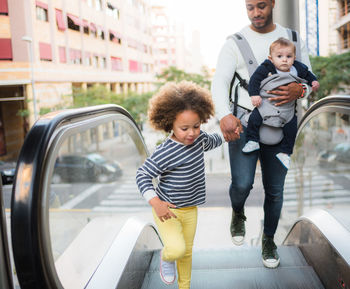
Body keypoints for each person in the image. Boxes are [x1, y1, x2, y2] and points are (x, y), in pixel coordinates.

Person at [211, 0, 314, 269]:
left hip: (283, 123)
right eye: (250, 7)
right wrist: (224, 115)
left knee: (275, 190)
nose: (256, 13)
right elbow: (219, 82)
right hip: (245, 122)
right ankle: (238, 212)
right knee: (242, 184)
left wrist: (301, 91)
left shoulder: (292, 38)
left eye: (261, 6)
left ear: (272, 4)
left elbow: (309, 80)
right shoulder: (235, 41)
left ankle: (268, 240)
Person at [136, 81, 232, 289]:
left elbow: (212, 141)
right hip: (167, 211)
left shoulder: (198, 140)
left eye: (196, 126)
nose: (192, 133)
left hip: (190, 210)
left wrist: (226, 135)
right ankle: (166, 257)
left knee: (187, 252)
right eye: (184, 128)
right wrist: (155, 202)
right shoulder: (166, 151)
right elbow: (142, 175)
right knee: (176, 250)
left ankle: (184, 287)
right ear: (169, 123)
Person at [242, 37, 320, 169]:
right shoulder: (266, 67)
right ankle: (252, 140)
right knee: (254, 119)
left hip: (287, 108)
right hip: (265, 103)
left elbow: (308, 74)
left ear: (294, 57)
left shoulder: (298, 68)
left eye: (289, 56)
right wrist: (254, 94)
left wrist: (313, 81)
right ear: (271, 58)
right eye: (279, 56)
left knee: (291, 128)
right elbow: (255, 80)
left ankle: (285, 152)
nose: (284, 59)